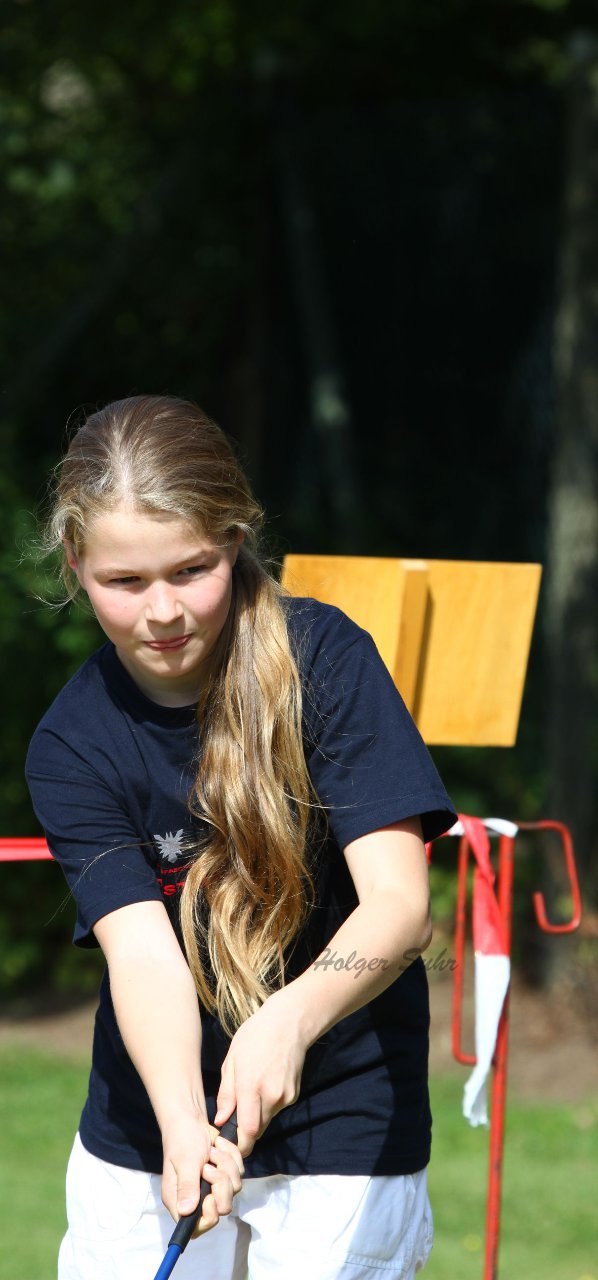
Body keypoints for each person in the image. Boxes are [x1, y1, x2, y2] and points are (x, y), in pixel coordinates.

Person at [25, 394, 456, 1280]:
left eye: (190, 570)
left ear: (234, 539)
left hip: (345, 1114)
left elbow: (402, 904)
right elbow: (142, 956)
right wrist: (183, 1121)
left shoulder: (327, 662)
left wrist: (290, 1021)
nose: (163, 611)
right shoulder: (71, 742)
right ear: (75, 565)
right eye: (125, 582)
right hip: (148, 1126)